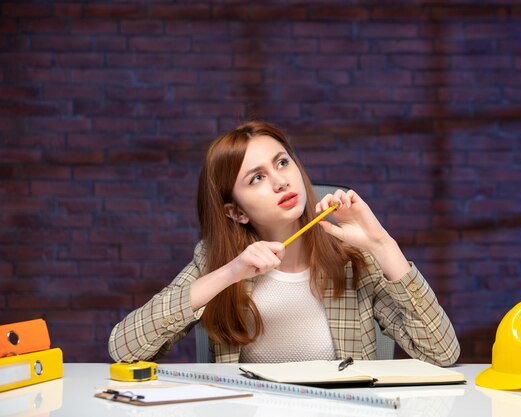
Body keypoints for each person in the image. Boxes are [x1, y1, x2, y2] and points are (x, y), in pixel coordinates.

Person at [108, 121, 460, 366]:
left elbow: (442, 353)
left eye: (282, 162)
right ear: (236, 212)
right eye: (257, 178)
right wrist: (228, 274)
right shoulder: (219, 262)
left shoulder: (352, 258)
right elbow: (124, 348)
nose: (280, 181)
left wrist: (382, 244)